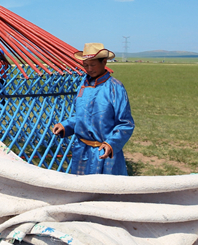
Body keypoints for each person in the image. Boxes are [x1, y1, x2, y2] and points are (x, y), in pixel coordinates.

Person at [51, 43, 135, 175]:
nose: (89, 69)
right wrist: (65, 125)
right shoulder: (83, 86)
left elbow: (126, 123)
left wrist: (111, 143)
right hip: (82, 151)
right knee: (81, 190)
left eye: (93, 65)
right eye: (85, 65)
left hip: (104, 152)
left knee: (105, 192)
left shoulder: (115, 88)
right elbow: (82, 116)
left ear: (104, 62)